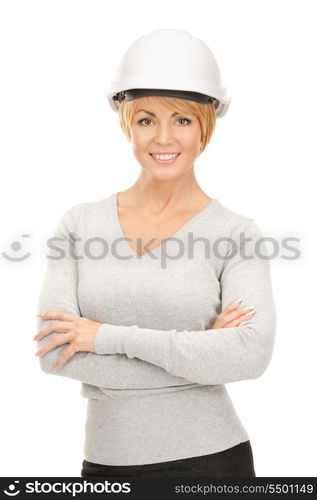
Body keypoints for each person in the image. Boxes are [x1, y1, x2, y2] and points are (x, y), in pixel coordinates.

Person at [34, 29, 276, 478]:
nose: (164, 138)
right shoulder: (79, 225)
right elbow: (54, 353)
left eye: (182, 120)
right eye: (146, 119)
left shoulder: (236, 234)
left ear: (207, 124)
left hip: (214, 463)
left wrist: (105, 337)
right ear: (127, 123)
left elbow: (249, 356)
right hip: (105, 467)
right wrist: (202, 356)